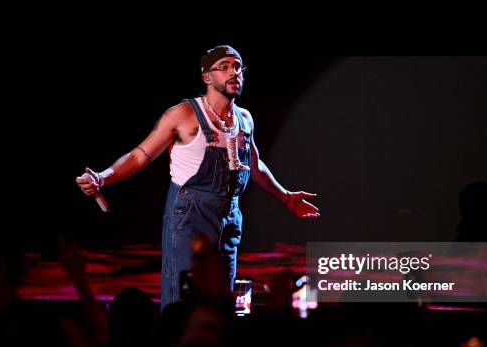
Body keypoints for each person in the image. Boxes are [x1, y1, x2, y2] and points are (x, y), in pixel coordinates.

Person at [76, 45, 320, 309]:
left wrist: (285, 198)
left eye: (238, 67)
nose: (233, 72)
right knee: (184, 297)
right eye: (224, 67)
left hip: (229, 216)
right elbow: (140, 155)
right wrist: (103, 177)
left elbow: (253, 164)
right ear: (207, 77)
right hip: (190, 215)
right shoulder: (183, 114)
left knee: (220, 297)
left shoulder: (244, 119)